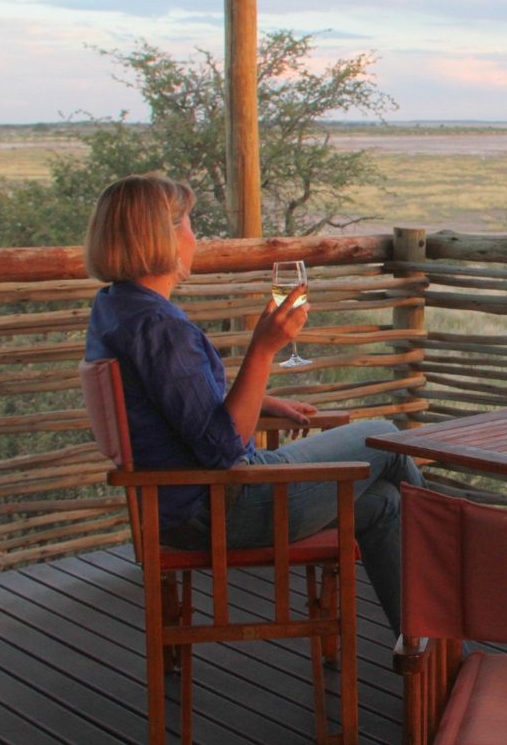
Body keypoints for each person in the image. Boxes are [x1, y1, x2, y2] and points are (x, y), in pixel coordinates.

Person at [83, 174, 424, 635]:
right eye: (186, 223)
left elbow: (170, 406)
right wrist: (264, 350)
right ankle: (455, 573)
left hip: (178, 508)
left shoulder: (116, 309)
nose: (194, 237)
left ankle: (427, 647)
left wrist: (256, 397)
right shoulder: (160, 327)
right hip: (224, 507)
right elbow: (222, 448)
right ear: (158, 236)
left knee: (385, 503)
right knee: (385, 439)